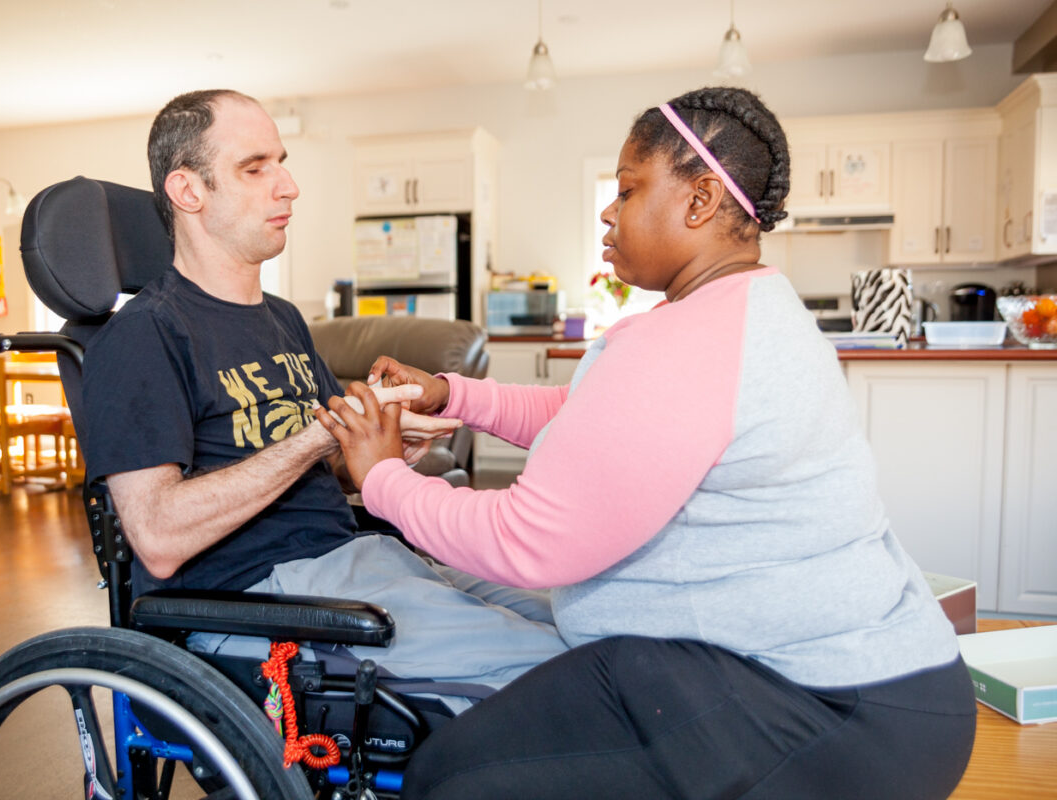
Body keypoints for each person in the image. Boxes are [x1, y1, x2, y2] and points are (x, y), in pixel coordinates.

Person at [317, 86, 976, 799]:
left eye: (628, 189)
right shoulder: (742, 306)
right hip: (860, 683)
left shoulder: (693, 341)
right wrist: (455, 394)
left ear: (699, 202)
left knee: (451, 777)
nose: (608, 210)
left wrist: (383, 477)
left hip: (833, 709)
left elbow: (529, 541)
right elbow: (595, 420)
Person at [80, 89, 568, 696]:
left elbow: (318, 469)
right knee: (563, 674)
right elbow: (156, 536)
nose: (288, 186)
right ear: (188, 192)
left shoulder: (282, 318)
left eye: (280, 162)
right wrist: (318, 438)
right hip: (263, 599)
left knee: (584, 623)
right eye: (255, 168)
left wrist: (371, 448)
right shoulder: (143, 336)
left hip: (361, 562)